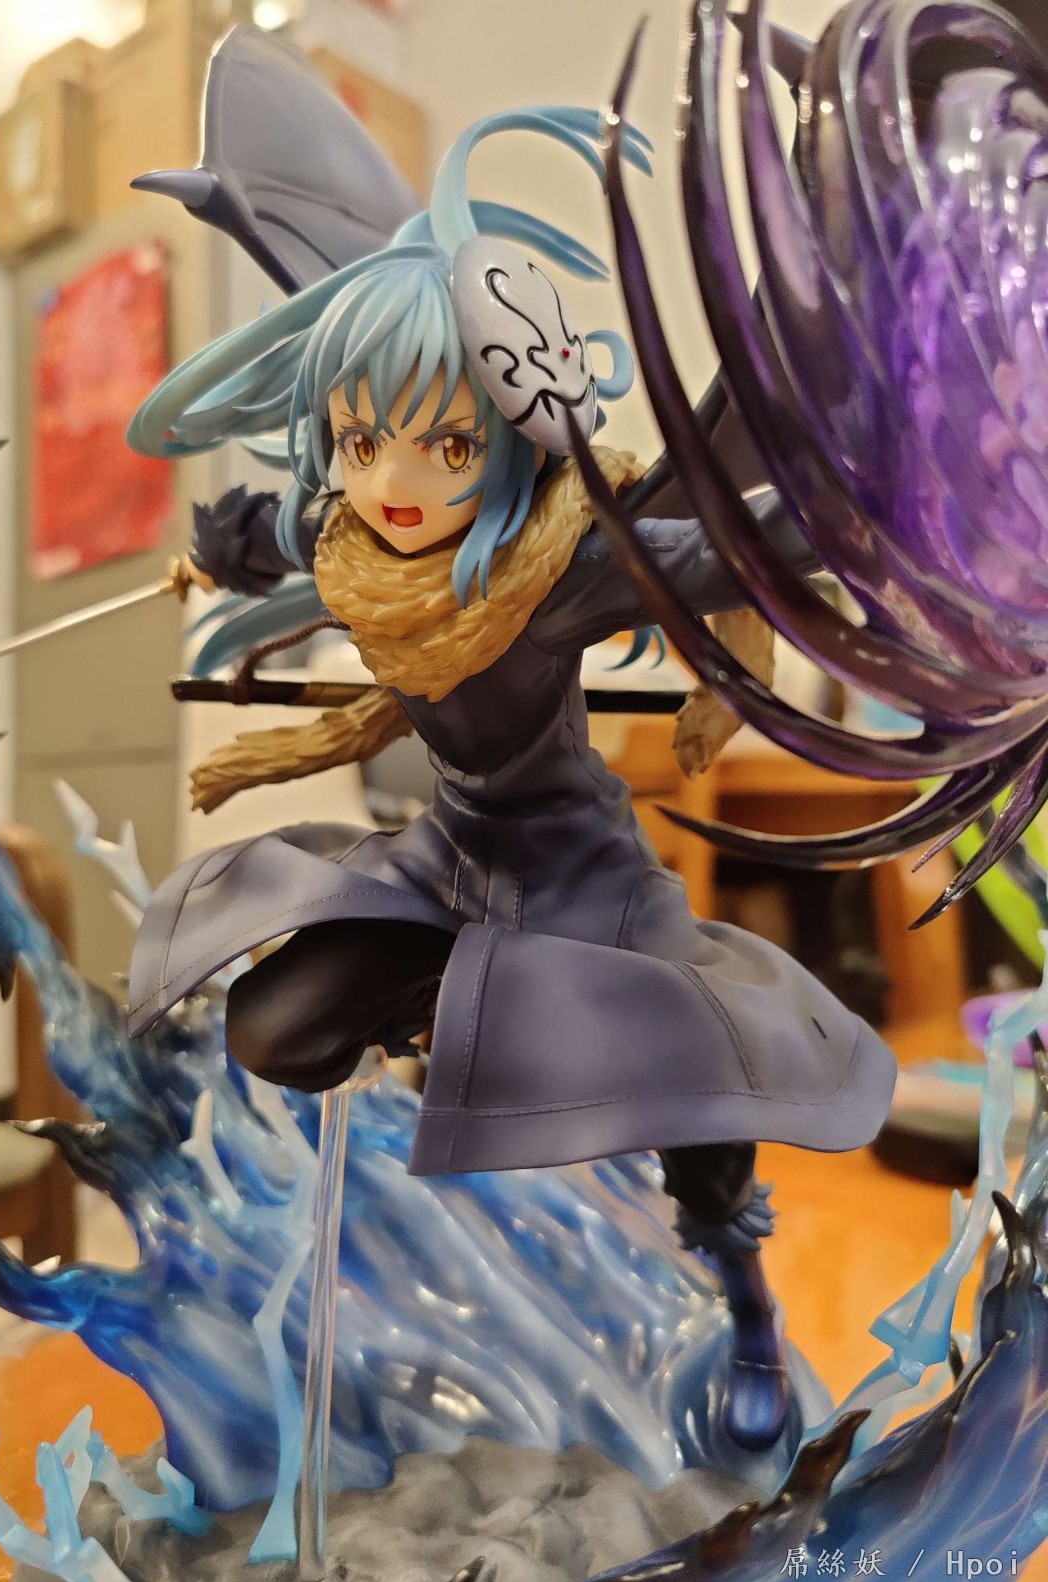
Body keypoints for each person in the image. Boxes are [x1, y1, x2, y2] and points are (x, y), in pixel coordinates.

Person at [125, 106, 897, 1452]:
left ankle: (752, 1315)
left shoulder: (555, 570)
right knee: (277, 1028)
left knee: (698, 1120)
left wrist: (849, 517)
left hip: (586, 882)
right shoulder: (358, 546)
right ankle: (460, 1025)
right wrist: (217, 555)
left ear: (508, 437)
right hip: (455, 861)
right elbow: (278, 541)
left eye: (446, 446)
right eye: (361, 440)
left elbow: (723, 545)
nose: (396, 481)